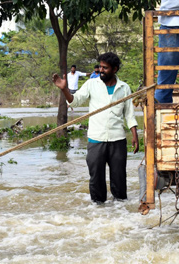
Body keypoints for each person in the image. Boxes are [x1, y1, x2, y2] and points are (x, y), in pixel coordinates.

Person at [52, 52, 140, 203]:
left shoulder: (124, 88)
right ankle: (98, 212)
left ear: (115, 69)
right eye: (100, 67)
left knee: (119, 179)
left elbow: (129, 115)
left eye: (105, 68)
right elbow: (75, 101)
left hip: (117, 139)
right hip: (96, 139)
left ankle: (121, 212)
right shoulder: (92, 84)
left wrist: (135, 136)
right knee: (96, 178)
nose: (101, 70)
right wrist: (64, 90)